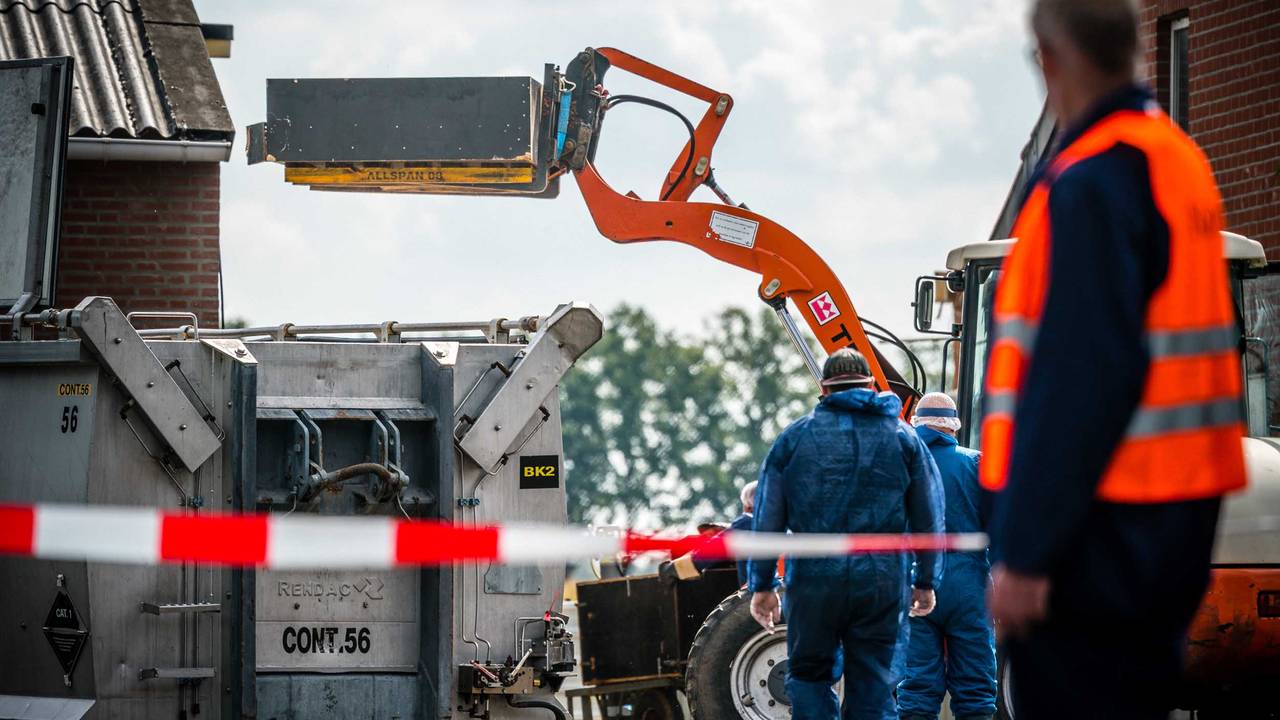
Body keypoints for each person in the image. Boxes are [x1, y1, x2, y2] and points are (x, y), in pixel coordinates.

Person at [983, 1, 1247, 718]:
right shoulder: (1177, 162)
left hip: (1096, 533)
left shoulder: (1092, 180)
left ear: (1050, 58)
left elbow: (1078, 380)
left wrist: (1027, 552)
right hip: (1174, 522)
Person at [748, 348, 945, 720]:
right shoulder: (904, 438)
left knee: (810, 677)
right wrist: (926, 580)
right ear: (871, 385)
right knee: (873, 685)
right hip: (881, 582)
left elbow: (767, 517)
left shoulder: (794, 439)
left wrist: (762, 584)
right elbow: (930, 516)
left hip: (813, 581)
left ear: (824, 389)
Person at [897, 393, 996, 720]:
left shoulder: (901, 465)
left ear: (917, 425)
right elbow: (998, 525)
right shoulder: (976, 464)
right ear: (953, 426)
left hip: (916, 584)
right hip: (969, 584)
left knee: (918, 686)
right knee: (976, 687)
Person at [664, 481, 757, 586]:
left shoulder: (747, 522)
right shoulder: (770, 524)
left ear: (748, 506)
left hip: (756, 591)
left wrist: (676, 568)